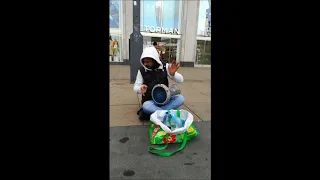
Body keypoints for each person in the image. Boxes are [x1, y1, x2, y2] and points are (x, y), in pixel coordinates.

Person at [133, 46, 184, 120]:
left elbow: (181, 80)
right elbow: (135, 87)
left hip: (165, 99)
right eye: (144, 61)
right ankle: (167, 113)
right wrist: (140, 89)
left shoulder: (165, 67)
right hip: (151, 101)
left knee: (180, 98)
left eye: (147, 61)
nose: (145, 64)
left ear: (154, 60)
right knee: (146, 106)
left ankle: (160, 113)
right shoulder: (141, 70)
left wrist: (173, 74)